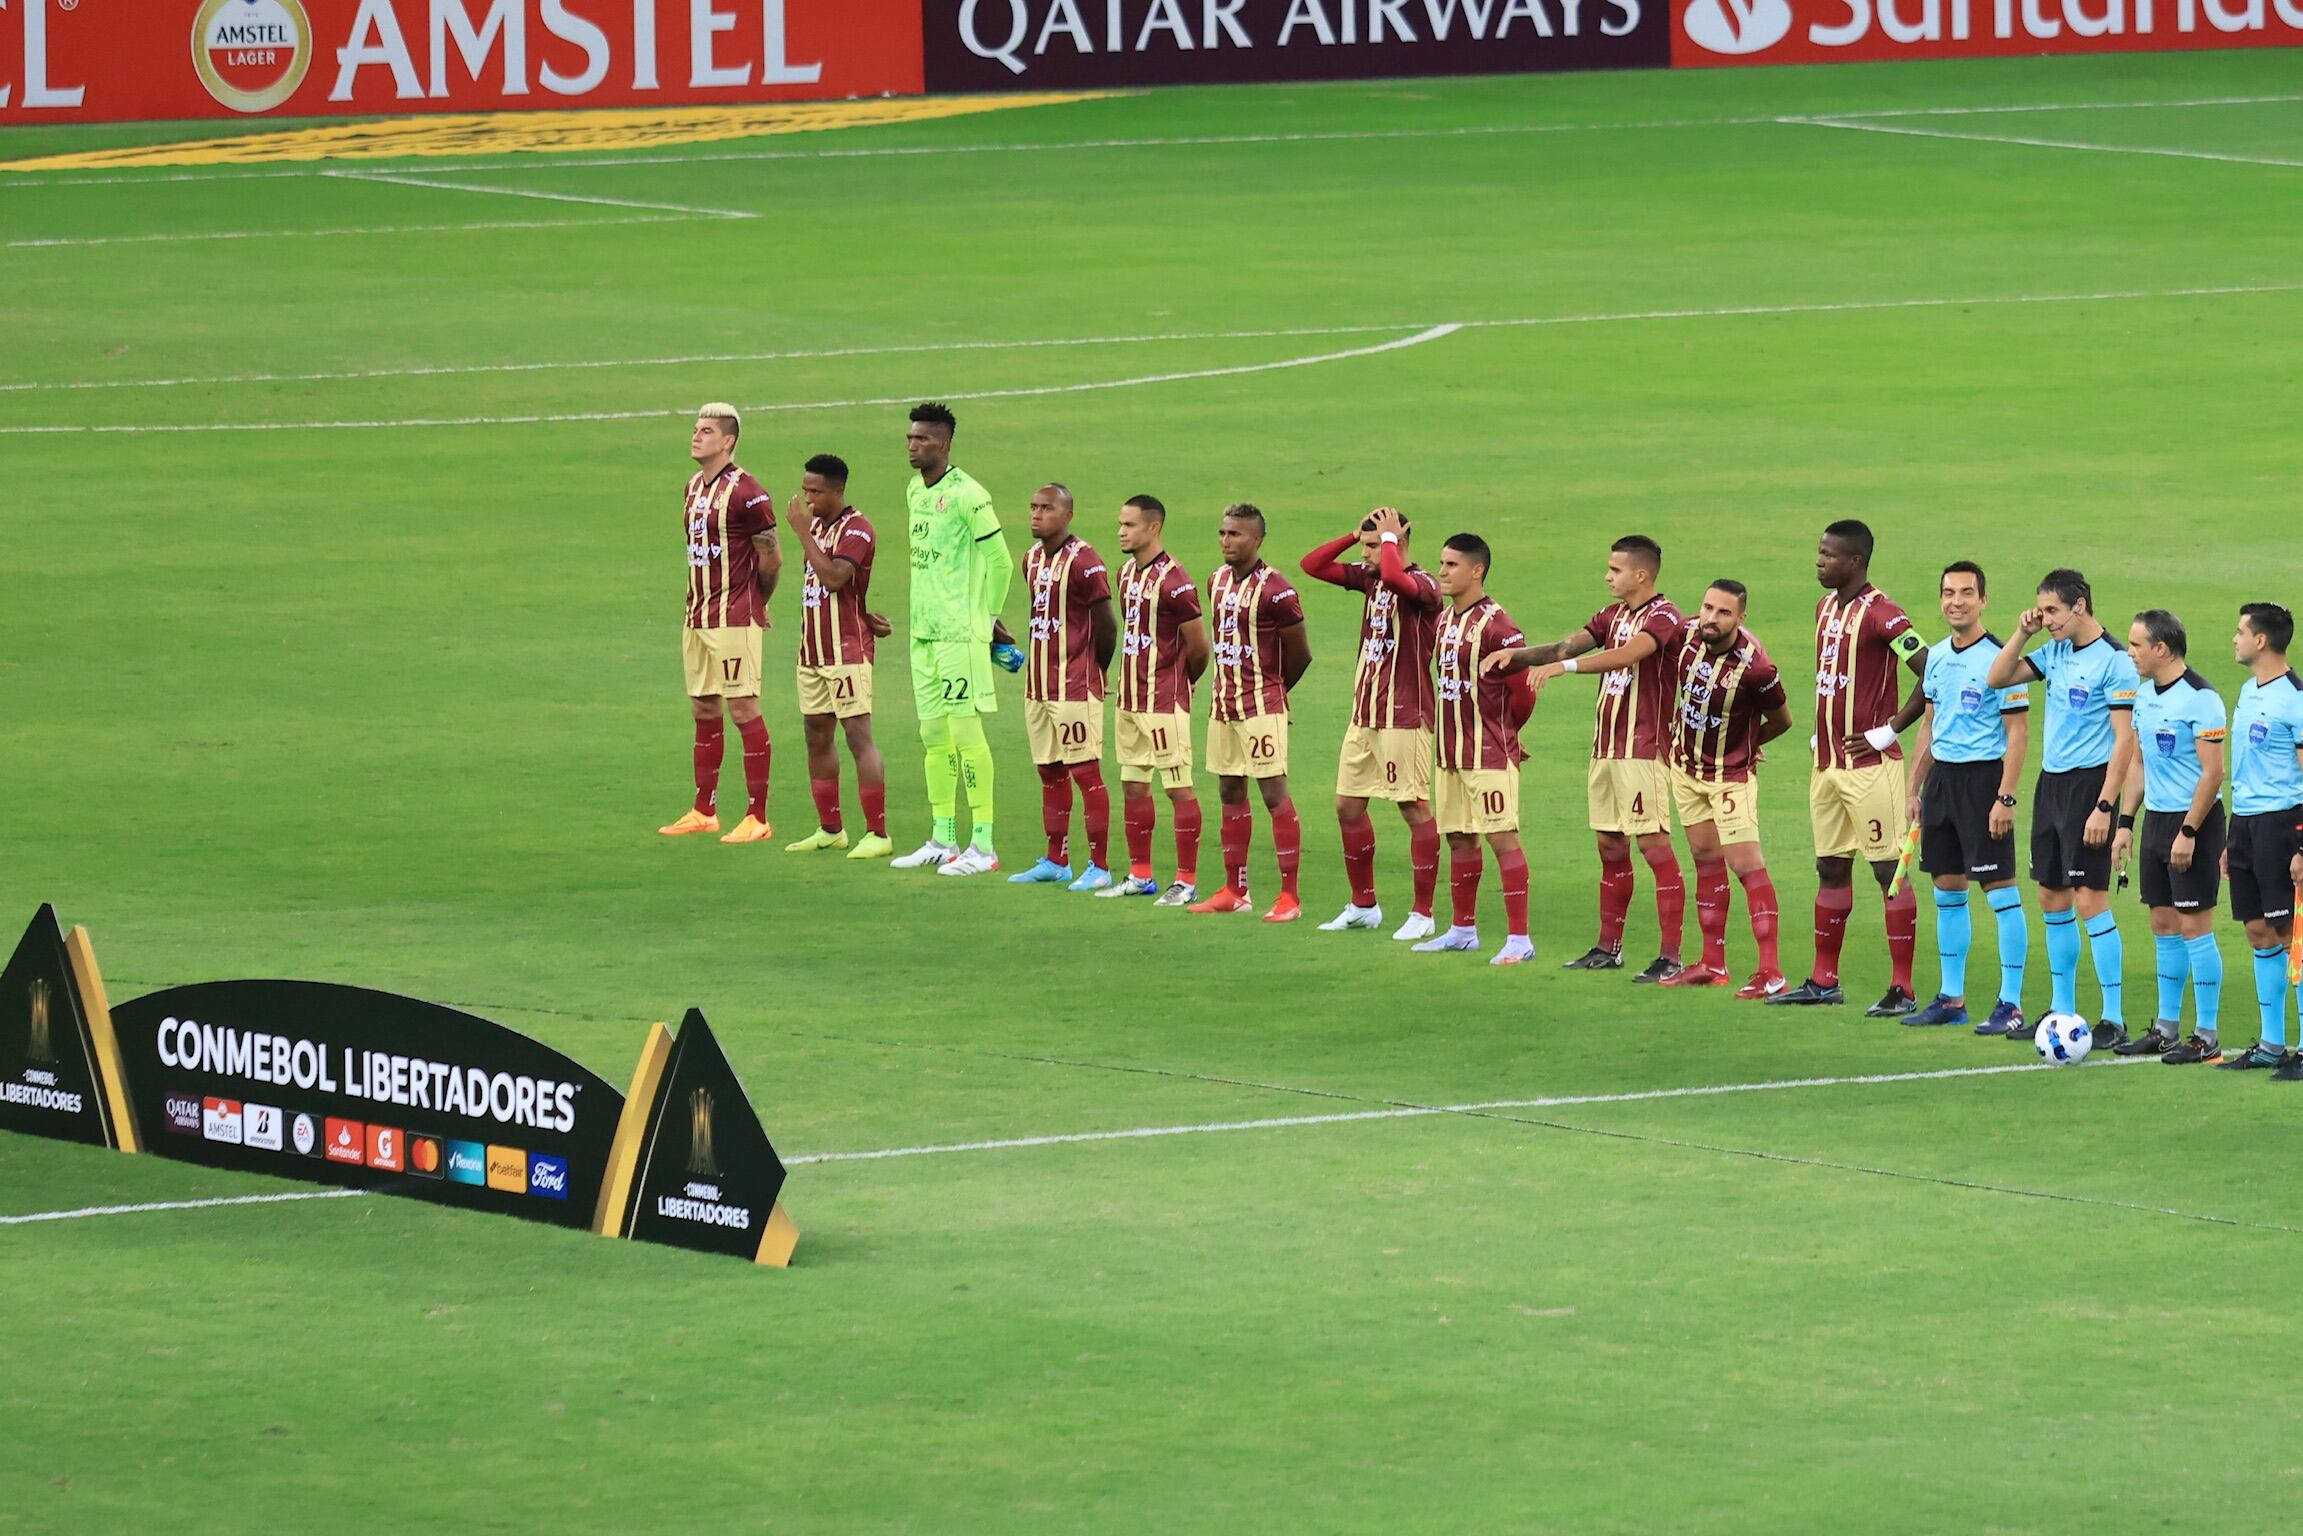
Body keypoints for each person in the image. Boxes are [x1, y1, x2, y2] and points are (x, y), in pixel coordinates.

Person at [1497, 537, 1687, 981]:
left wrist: (1565, 670)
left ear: (1641, 574)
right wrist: (1516, 656)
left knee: (1654, 847)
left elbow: (1630, 654)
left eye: (1615, 570)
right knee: (1610, 846)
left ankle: (1671, 957)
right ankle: (1608, 948)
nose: (1607, 576)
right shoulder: (1611, 615)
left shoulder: (1664, 616)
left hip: (1642, 750)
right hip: (1606, 749)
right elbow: (1565, 647)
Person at [1765, 520, 1929, 1014]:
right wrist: (1823, 730)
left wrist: (1891, 729)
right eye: (1820, 552)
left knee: (1888, 872)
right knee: (1830, 866)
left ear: (1855, 561)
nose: (1819, 562)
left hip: (1870, 766)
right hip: (1827, 765)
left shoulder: (1885, 615)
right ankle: (1823, 981)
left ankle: (1903, 989)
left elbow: (1931, 671)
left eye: (1829, 555)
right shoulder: (1824, 608)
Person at [1985, 569, 2141, 1047]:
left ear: (2080, 606)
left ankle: (2113, 1017)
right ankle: (2061, 1010)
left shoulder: (2115, 661)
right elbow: (1997, 677)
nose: (2046, 618)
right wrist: (2023, 633)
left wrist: (2105, 806)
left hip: (2089, 788)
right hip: (2051, 784)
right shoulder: (2054, 651)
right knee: (2052, 897)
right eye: (2042, 610)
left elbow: (2124, 741)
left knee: (2090, 899)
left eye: (2052, 610)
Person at [1898, 562, 2031, 1033]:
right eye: (1949, 592)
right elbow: (1929, 725)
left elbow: (2018, 734)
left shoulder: (2001, 660)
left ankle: (2011, 1004)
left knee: (2001, 892)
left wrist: (2005, 798)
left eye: (1966, 592)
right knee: (1947, 889)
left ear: (1983, 600)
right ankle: (1951, 999)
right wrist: (1914, 788)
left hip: (1982, 782)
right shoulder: (1935, 656)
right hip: (1942, 783)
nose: (1956, 601)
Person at [1299, 507, 1443, 941]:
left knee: (1413, 807)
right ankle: (1364, 906)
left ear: (1399, 542)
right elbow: (1312, 564)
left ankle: (1423, 913)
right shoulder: (1370, 578)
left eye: (1373, 546)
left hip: (1405, 715)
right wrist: (1354, 534)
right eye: (1364, 547)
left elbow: (1399, 579)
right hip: (1364, 715)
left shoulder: (1426, 585)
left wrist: (1389, 541)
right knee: (1348, 806)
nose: (1365, 555)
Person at [1652, 581, 1794, 992]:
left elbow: (1782, 721)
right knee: (1706, 860)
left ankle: (1772, 973)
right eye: (1708, 608)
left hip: (1730, 777)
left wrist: (1748, 744)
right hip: (1686, 769)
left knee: (1747, 866)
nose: (1711, 619)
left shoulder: (1756, 669)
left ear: (1741, 618)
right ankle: (1713, 964)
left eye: (1724, 613)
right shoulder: (1685, 635)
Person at [892, 403, 1015, 876]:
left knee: (966, 734)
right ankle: (943, 839)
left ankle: (983, 845)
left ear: (943, 444)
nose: (912, 445)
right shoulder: (914, 490)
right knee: (933, 736)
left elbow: (1000, 561)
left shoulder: (969, 495)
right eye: (910, 437)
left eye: (922, 439)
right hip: (923, 632)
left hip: (960, 635)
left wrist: (987, 619)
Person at [659, 402, 781, 844]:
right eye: (696, 429)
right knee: (704, 708)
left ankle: (757, 818)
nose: (696, 436)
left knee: (743, 708)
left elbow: (772, 557)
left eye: (706, 430)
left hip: (734, 618)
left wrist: (754, 603)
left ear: (728, 441)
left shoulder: (749, 493)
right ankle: (703, 810)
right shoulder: (692, 487)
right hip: (696, 615)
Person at [2112, 611, 2228, 1063]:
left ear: (2161, 648)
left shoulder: (2202, 699)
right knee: (2163, 923)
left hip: (2194, 822)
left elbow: (2213, 774)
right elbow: (2138, 764)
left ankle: (2207, 1036)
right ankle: (2166, 1029)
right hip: (2157, 821)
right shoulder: (2144, 696)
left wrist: (2189, 831)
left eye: (2136, 644)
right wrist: (2126, 823)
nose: (2130, 652)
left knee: (2194, 925)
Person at [1189, 506, 1312, 921]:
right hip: (1222, 705)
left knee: (1273, 794)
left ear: (1257, 540)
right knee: (1229, 790)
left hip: (1261, 707)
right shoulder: (1216, 581)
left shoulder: (1278, 590)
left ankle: (1290, 897)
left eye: (1235, 534)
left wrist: (1273, 693)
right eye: (1223, 532)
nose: (1226, 541)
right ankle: (1235, 890)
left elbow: (1300, 654)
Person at [1425, 535, 1536, 962]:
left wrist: (1507, 733)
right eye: (1441, 563)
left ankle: (1519, 940)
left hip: (1488, 754)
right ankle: (1462, 930)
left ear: (1477, 571)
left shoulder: (1499, 627)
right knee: (1459, 838)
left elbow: (1524, 692)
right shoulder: (1444, 621)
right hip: (1449, 753)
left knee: (1502, 839)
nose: (1442, 571)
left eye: (1451, 564)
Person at [1097, 495, 1210, 906]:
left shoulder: (1176, 582)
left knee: (1178, 789)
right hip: (1129, 700)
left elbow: (1200, 648)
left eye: (1129, 525)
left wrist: (1182, 683)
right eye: (1120, 524)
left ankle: (1186, 881)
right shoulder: (1126, 573)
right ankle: (1141, 875)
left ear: (1153, 527)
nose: (1121, 532)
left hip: (1164, 702)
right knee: (1133, 785)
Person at [1010, 484, 1118, 891]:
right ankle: (1057, 861)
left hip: (1074, 685)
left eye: (1046, 508)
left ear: (1068, 514)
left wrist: (1095, 670)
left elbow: (1107, 626)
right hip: (1037, 686)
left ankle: (1100, 866)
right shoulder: (1031, 558)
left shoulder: (1085, 561)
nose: (1036, 514)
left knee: (1086, 773)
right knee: (1049, 772)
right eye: (1033, 507)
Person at [784, 454, 892, 860]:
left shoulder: (857, 529)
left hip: (847, 651)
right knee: (816, 734)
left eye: (816, 491)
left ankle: (878, 833)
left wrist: (801, 534)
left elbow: (832, 579)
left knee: (858, 736)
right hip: (812, 650)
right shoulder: (816, 526)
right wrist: (865, 611)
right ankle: (831, 829)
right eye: (805, 490)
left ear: (838, 490)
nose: (808, 499)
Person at [2213, 603, 2303, 1075]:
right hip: (2246, 824)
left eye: (2240, 631)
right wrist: (2234, 838)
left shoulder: (2296, 699)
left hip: (2282, 825)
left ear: (2261, 640)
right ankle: (2271, 1044)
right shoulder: (2248, 691)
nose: (2234, 638)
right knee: (2258, 931)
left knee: (2292, 934)